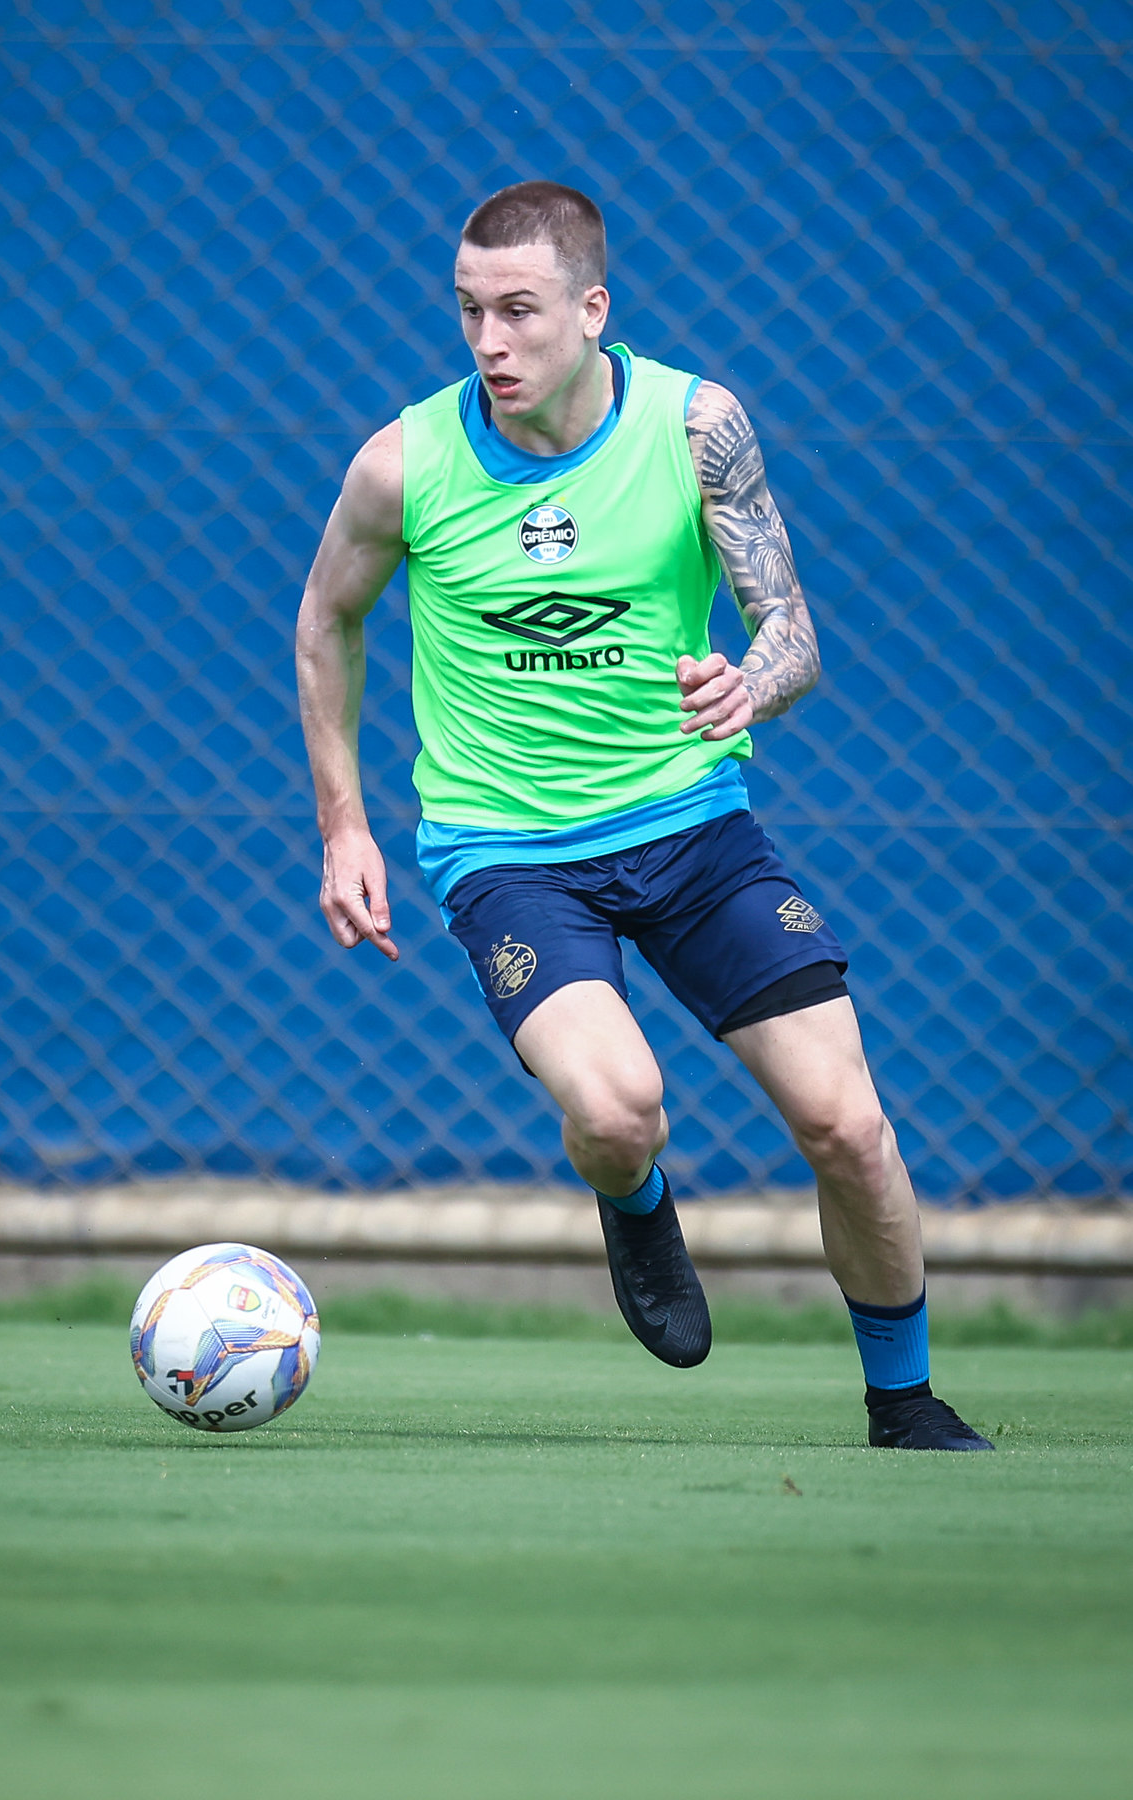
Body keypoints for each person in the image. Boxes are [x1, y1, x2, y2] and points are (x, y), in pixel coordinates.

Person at [296, 180, 991, 1451]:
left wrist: (752, 682)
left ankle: (904, 1398)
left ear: (592, 307)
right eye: (467, 312)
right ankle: (636, 1199)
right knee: (617, 1110)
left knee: (845, 1121)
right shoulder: (405, 465)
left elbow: (791, 631)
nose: (489, 342)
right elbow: (325, 621)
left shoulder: (694, 424)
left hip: (693, 832)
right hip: (510, 856)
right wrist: (344, 823)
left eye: (518, 311)